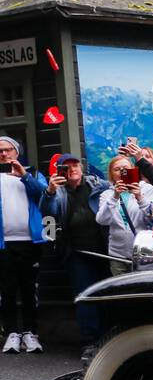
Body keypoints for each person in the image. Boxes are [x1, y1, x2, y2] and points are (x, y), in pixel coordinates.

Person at [41, 154, 111, 356]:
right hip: (77, 252)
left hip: (105, 249)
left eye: (75, 165)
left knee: (110, 292)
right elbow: (48, 215)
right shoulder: (57, 192)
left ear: (82, 167)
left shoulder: (98, 185)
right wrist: (50, 191)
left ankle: (111, 336)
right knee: (85, 295)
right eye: (66, 166)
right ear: (59, 170)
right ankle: (91, 340)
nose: (72, 169)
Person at [0, 135, 49, 353]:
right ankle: (11, 332)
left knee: (29, 289)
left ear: (16, 152)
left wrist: (24, 176)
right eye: (0, 151)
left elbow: (45, 196)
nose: (3, 154)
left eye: (7, 150)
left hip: (30, 241)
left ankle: (30, 332)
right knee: (7, 289)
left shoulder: (34, 174)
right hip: (4, 243)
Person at [96, 155, 153, 276]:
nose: (121, 172)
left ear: (133, 170)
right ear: (112, 175)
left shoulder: (147, 189)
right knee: (123, 291)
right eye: (117, 169)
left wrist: (140, 197)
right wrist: (115, 197)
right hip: (118, 256)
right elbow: (102, 220)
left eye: (125, 168)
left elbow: (152, 217)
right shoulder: (107, 194)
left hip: (143, 253)